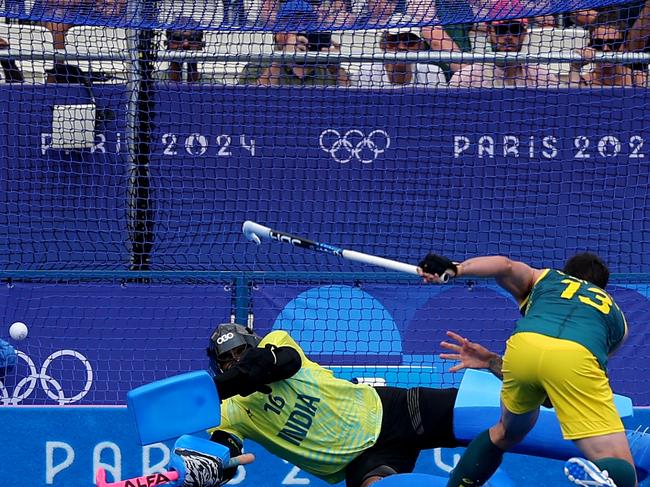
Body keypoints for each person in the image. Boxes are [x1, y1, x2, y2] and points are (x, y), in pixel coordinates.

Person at [417, 252, 637, 487]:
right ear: (603, 288)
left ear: (565, 272)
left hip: (524, 346)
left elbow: (504, 265)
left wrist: (455, 269)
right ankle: (605, 478)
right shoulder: (618, 321)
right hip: (577, 356)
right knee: (621, 467)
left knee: (504, 433)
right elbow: (559, 386)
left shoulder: (547, 278)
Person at [206, 322, 504, 487]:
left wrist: (218, 387)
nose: (235, 361)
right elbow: (225, 451)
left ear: (254, 345)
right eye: (226, 359)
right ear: (218, 366)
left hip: (393, 410)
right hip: (362, 461)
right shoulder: (227, 412)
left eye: (241, 352)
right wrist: (212, 466)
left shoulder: (277, 343)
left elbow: (282, 363)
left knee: (495, 413)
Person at [449, 18, 562, 88]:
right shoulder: (466, 77)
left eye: (515, 30)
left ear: (524, 34)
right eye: (501, 30)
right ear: (489, 33)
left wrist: (575, 68)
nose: (508, 37)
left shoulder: (542, 76)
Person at [355, 16, 447, 88]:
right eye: (394, 40)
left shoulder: (433, 72)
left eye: (409, 41)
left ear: (420, 46)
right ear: (382, 45)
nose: (401, 47)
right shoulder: (365, 73)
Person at [238, 31, 350, 86]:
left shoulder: (324, 68)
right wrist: (281, 58)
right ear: (276, 35)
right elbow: (248, 101)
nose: (294, 34)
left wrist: (335, 67)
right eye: (288, 28)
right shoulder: (258, 64)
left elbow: (352, 103)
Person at [569, 23, 646, 87]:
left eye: (613, 43)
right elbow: (570, 100)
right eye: (598, 43)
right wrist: (575, 67)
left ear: (624, 47)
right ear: (590, 46)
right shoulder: (584, 81)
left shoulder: (639, 79)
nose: (605, 48)